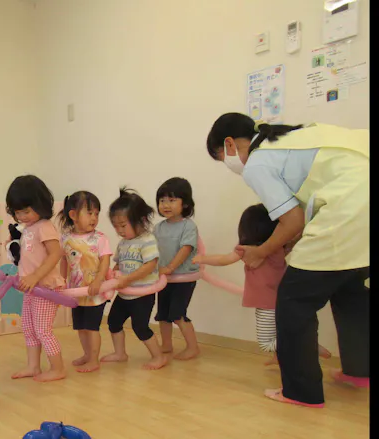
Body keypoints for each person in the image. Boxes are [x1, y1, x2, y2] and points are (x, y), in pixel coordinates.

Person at [206, 113, 369, 407]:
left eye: (221, 157)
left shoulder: (258, 161)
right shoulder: (297, 137)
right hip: (360, 207)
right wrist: (287, 241)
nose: (228, 165)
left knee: (294, 301)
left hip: (349, 208)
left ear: (229, 143)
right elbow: (303, 215)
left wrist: (262, 250)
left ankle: (301, 392)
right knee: (350, 289)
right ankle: (360, 371)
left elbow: (291, 219)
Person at [193, 203, 332, 366]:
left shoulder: (247, 250)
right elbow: (295, 238)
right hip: (282, 299)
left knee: (266, 343)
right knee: (279, 332)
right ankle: (280, 356)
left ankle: (308, 346)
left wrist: (202, 258)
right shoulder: (277, 248)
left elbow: (224, 260)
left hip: (266, 303)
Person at [6, 175, 67, 382]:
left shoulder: (44, 226)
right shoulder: (28, 229)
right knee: (29, 328)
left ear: (40, 205)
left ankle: (57, 368)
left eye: (26, 211)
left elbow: (55, 254)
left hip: (46, 287)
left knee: (42, 329)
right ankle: (33, 366)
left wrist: (35, 276)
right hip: (31, 288)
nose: (22, 216)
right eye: (17, 212)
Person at [101, 188, 168, 370]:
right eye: (116, 226)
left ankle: (158, 356)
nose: (119, 230)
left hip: (142, 294)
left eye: (123, 225)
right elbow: (118, 264)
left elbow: (150, 266)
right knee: (113, 322)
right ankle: (120, 353)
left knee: (140, 327)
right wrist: (110, 275)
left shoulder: (148, 240)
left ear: (141, 220)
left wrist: (127, 279)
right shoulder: (123, 244)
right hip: (124, 294)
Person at [57, 191, 112, 373]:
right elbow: (64, 260)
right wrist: (61, 280)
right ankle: (87, 354)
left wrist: (98, 281)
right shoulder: (65, 238)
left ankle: (94, 359)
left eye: (96, 213)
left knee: (92, 327)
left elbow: (105, 261)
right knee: (80, 327)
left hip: (94, 292)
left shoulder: (100, 238)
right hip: (75, 292)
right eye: (89, 213)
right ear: (73, 215)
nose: (94, 218)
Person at [153, 177, 200, 360]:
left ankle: (193, 347)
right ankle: (166, 345)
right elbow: (152, 250)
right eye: (162, 200)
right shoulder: (158, 228)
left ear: (185, 203)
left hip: (184, 278)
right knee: (163, 315)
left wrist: (171, 267)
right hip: (164, 279)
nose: (166, 205)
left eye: (172, 200)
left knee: (178, 314)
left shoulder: (188, 226)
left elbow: (186, 248)